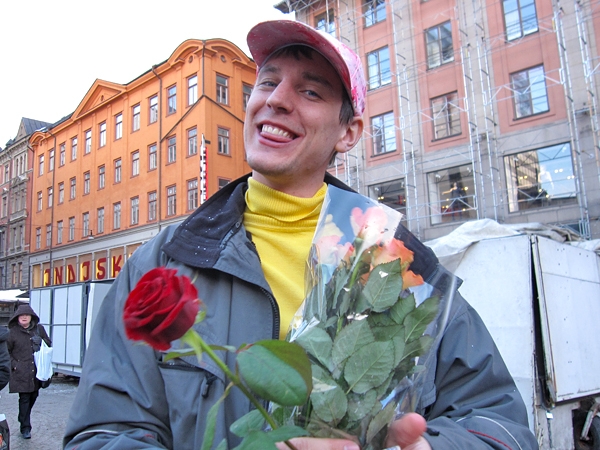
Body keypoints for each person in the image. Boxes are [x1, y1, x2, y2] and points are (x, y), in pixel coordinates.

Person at [63, 20, 538, 450]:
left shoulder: (399, 264)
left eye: (310, 91)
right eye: (267, 82)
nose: (276, 99)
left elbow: (501, 426)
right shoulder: (163, 263)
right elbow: (102, 433)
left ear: (348, 132)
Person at [7, 304, 51, 439]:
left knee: (34, 395)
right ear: (17, 317)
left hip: (36, 371)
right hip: (20, 372)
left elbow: (49, 344)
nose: (24, 317)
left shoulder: (39, 329)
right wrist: (15, 365)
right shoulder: (12, 332)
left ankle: (23, 417)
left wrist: (41, 341)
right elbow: (6, 352)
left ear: (31, 317)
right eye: (21, 315)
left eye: (27, 315)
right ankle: (25, 427)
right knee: (24, 398)